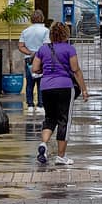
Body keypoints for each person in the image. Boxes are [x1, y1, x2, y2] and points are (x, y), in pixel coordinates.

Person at [32, 21, 87, 166]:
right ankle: (61, 156)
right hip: (64, 87)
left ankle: (43, 144)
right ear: (66, 34)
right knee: (64, 120)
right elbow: (75, 70)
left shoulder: (43, 49)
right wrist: (84, 90)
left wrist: (47, 70)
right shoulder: (69, 49)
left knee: (50, 118)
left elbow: (35, 68)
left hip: (46, 87)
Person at [16, 10, 50, 117]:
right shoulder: (45, 31)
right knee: (41, 83)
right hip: (42, 59)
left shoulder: (25, 31)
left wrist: (30, 52)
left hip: (29, 59)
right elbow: (46, 45)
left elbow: (21, 46)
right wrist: (39, 54)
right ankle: (40, 105)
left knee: (30, 83)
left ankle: (30, 105)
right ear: (42, 18)